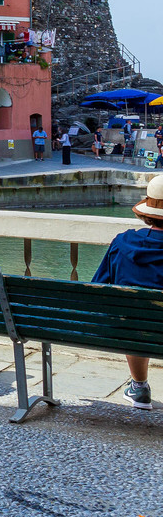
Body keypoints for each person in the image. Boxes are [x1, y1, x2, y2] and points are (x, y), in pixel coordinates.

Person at [92, 175, 163, 408]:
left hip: (128, 329)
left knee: (133, 316)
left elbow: (98, 287)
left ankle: (139, 387)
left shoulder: (123, 243)